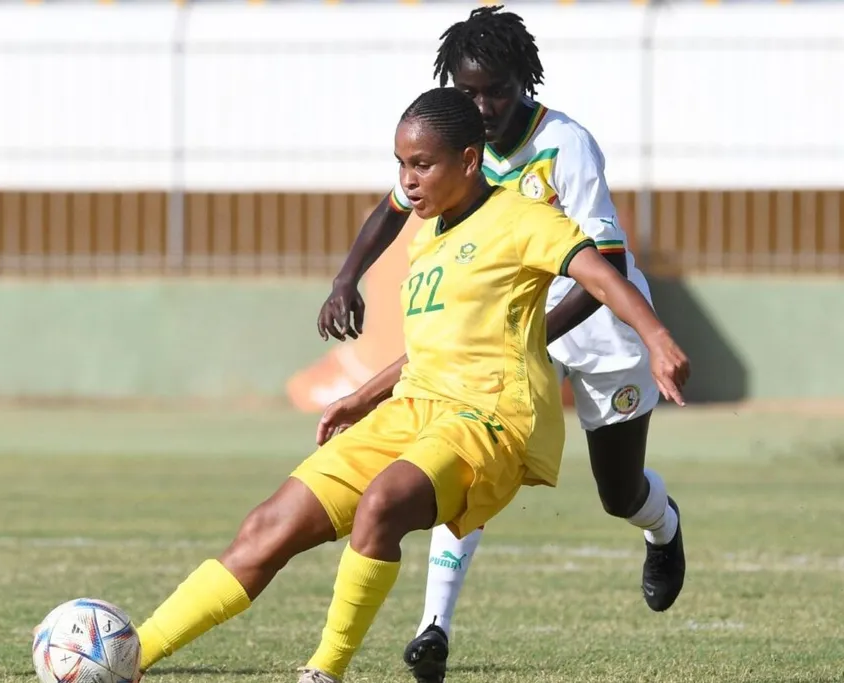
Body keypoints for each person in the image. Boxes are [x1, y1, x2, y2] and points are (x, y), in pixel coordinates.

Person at [94, 87, 688, 683]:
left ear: (468, 160)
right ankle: (131, 657)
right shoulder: (427, 235)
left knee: (383, 502)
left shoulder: (524, 218)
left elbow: (603, 276)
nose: (407, 180)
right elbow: (434, 350)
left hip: (489, 422)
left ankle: (325, 671)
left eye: (421, 164)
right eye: (401, 164)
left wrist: (657, 338)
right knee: (266, 526)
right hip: (413, 408)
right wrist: (361, 396)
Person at [315, 7, 688, 683]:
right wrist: (347, 277)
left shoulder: (566, 146)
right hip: (507, 347)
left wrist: (527, 334)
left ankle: (662, 527)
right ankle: (434, 626)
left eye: (496, 89)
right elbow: (392, 207)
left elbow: (604, 259)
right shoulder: (459, 147)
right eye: (468, 90)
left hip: (599, 331)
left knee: (619, 490)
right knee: (467, 459)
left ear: (525, 80)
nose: (482, 105)